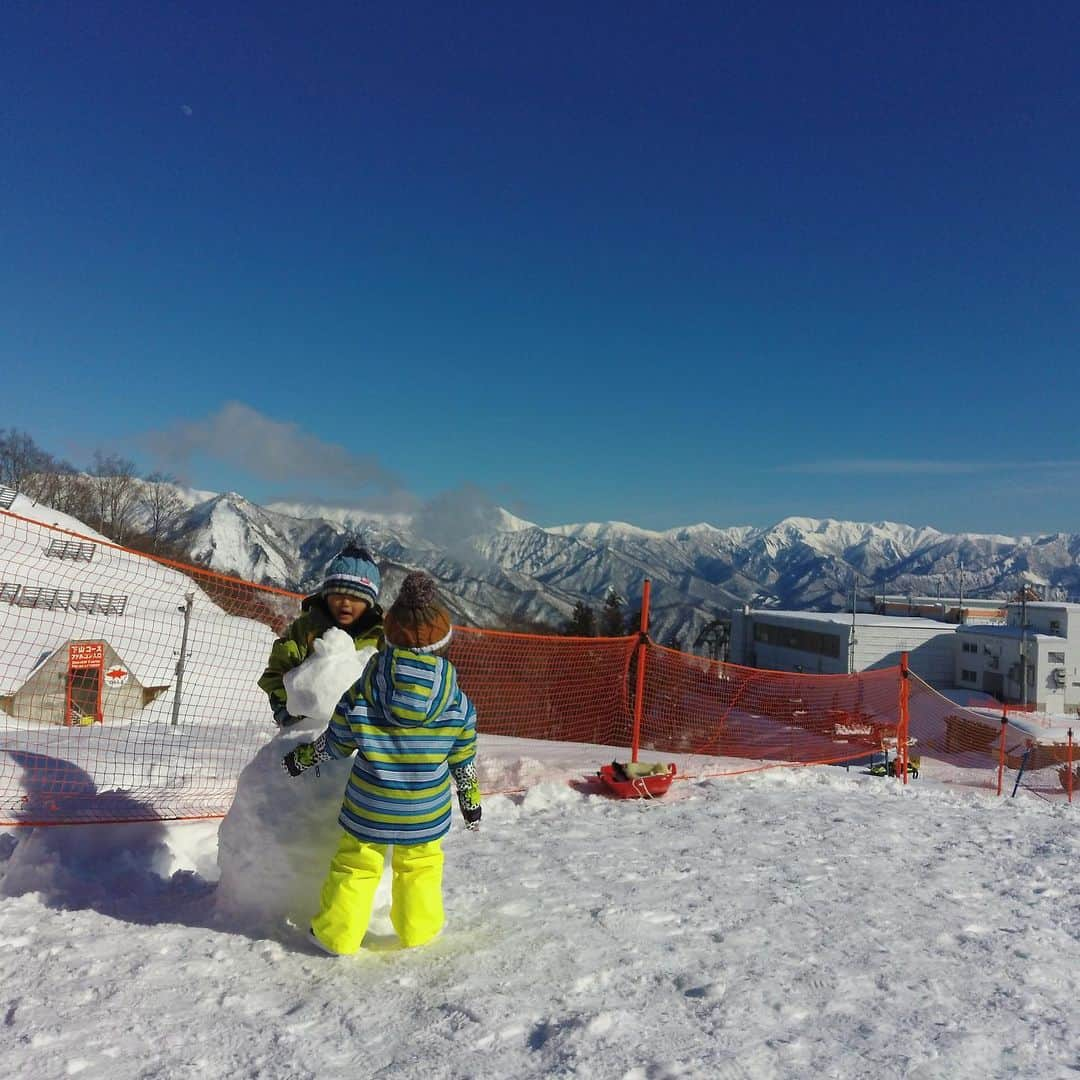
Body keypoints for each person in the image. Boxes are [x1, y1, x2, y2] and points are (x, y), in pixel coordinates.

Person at [281, 571, 481, 955]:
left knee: (356, 866)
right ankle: (419, 930)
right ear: (443, 644)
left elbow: (337, 741)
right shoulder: (456, 701)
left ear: (387, 637)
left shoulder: (366, 688)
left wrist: (300, 760)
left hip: (369, 806)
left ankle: (336, 935)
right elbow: (464, 758)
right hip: (425, 809)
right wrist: (471, 803)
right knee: (421, 867)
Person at [258, 543, 383, 728]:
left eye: (356, 598)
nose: (345, 603)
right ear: (326, 596)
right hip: (306, 729)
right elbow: (278, 670)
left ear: (369, 603)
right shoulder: (307, 629)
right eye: (338, 595)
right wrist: (284, 708)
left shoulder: (380, 638)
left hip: (359, 734)